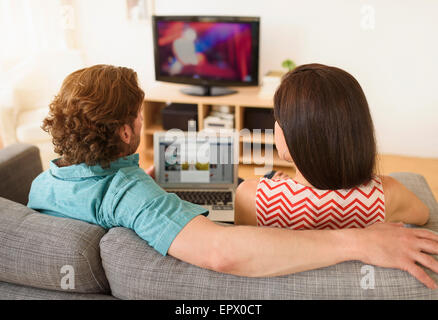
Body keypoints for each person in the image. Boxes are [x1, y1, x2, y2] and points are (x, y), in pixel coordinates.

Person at [27, 64, 438, 289]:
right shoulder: (137, 196)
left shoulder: (40, 186)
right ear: (125, 132)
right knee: (208, 159)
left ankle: (196, 157)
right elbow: (223, 248)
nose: (142, 116)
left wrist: (158, 175)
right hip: (185, 213)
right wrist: (359, 240)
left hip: (182, 191)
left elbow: (239, 203)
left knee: (199, 157)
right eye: (139, 114)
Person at [235, 63, 430, 231]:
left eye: (278, 118)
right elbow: (423, 216)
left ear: (294, 136)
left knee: (243, 179)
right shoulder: (389, 193)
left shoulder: (251, 196)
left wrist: (278, 185)